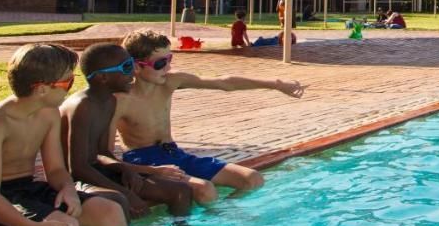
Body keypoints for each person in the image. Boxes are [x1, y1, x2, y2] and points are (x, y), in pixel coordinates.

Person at [0, 43, 130, 226]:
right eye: (68, 82)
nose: (72, 87)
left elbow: (56, 170)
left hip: (27, 191)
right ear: (42, 89)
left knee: (110, 211)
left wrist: (68, 188)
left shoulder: (48, 114)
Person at [114, 30, 305, 202]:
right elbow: (105, 156)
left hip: (174, 153)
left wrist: (276, 84)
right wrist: (149, 172)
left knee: (252, 179)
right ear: (137, 67)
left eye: (170, 59)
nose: (168, 68)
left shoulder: (170, 82)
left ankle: (222, 221)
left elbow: (224, 82)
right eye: (161, 63)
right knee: (205, 189)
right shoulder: (121, 100)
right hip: (143, 160)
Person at [60, 43, 194, 218]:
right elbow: (77, 168)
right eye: (126, 67)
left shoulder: (109, 102)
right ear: (102, 77)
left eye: (131, 64)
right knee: (123, 201)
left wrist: (126, 170)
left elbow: (101, 153)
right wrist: (127, 193)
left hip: (98, 171)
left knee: (181, 191)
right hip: (75, 181)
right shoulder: (82, 106)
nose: (133, 72)